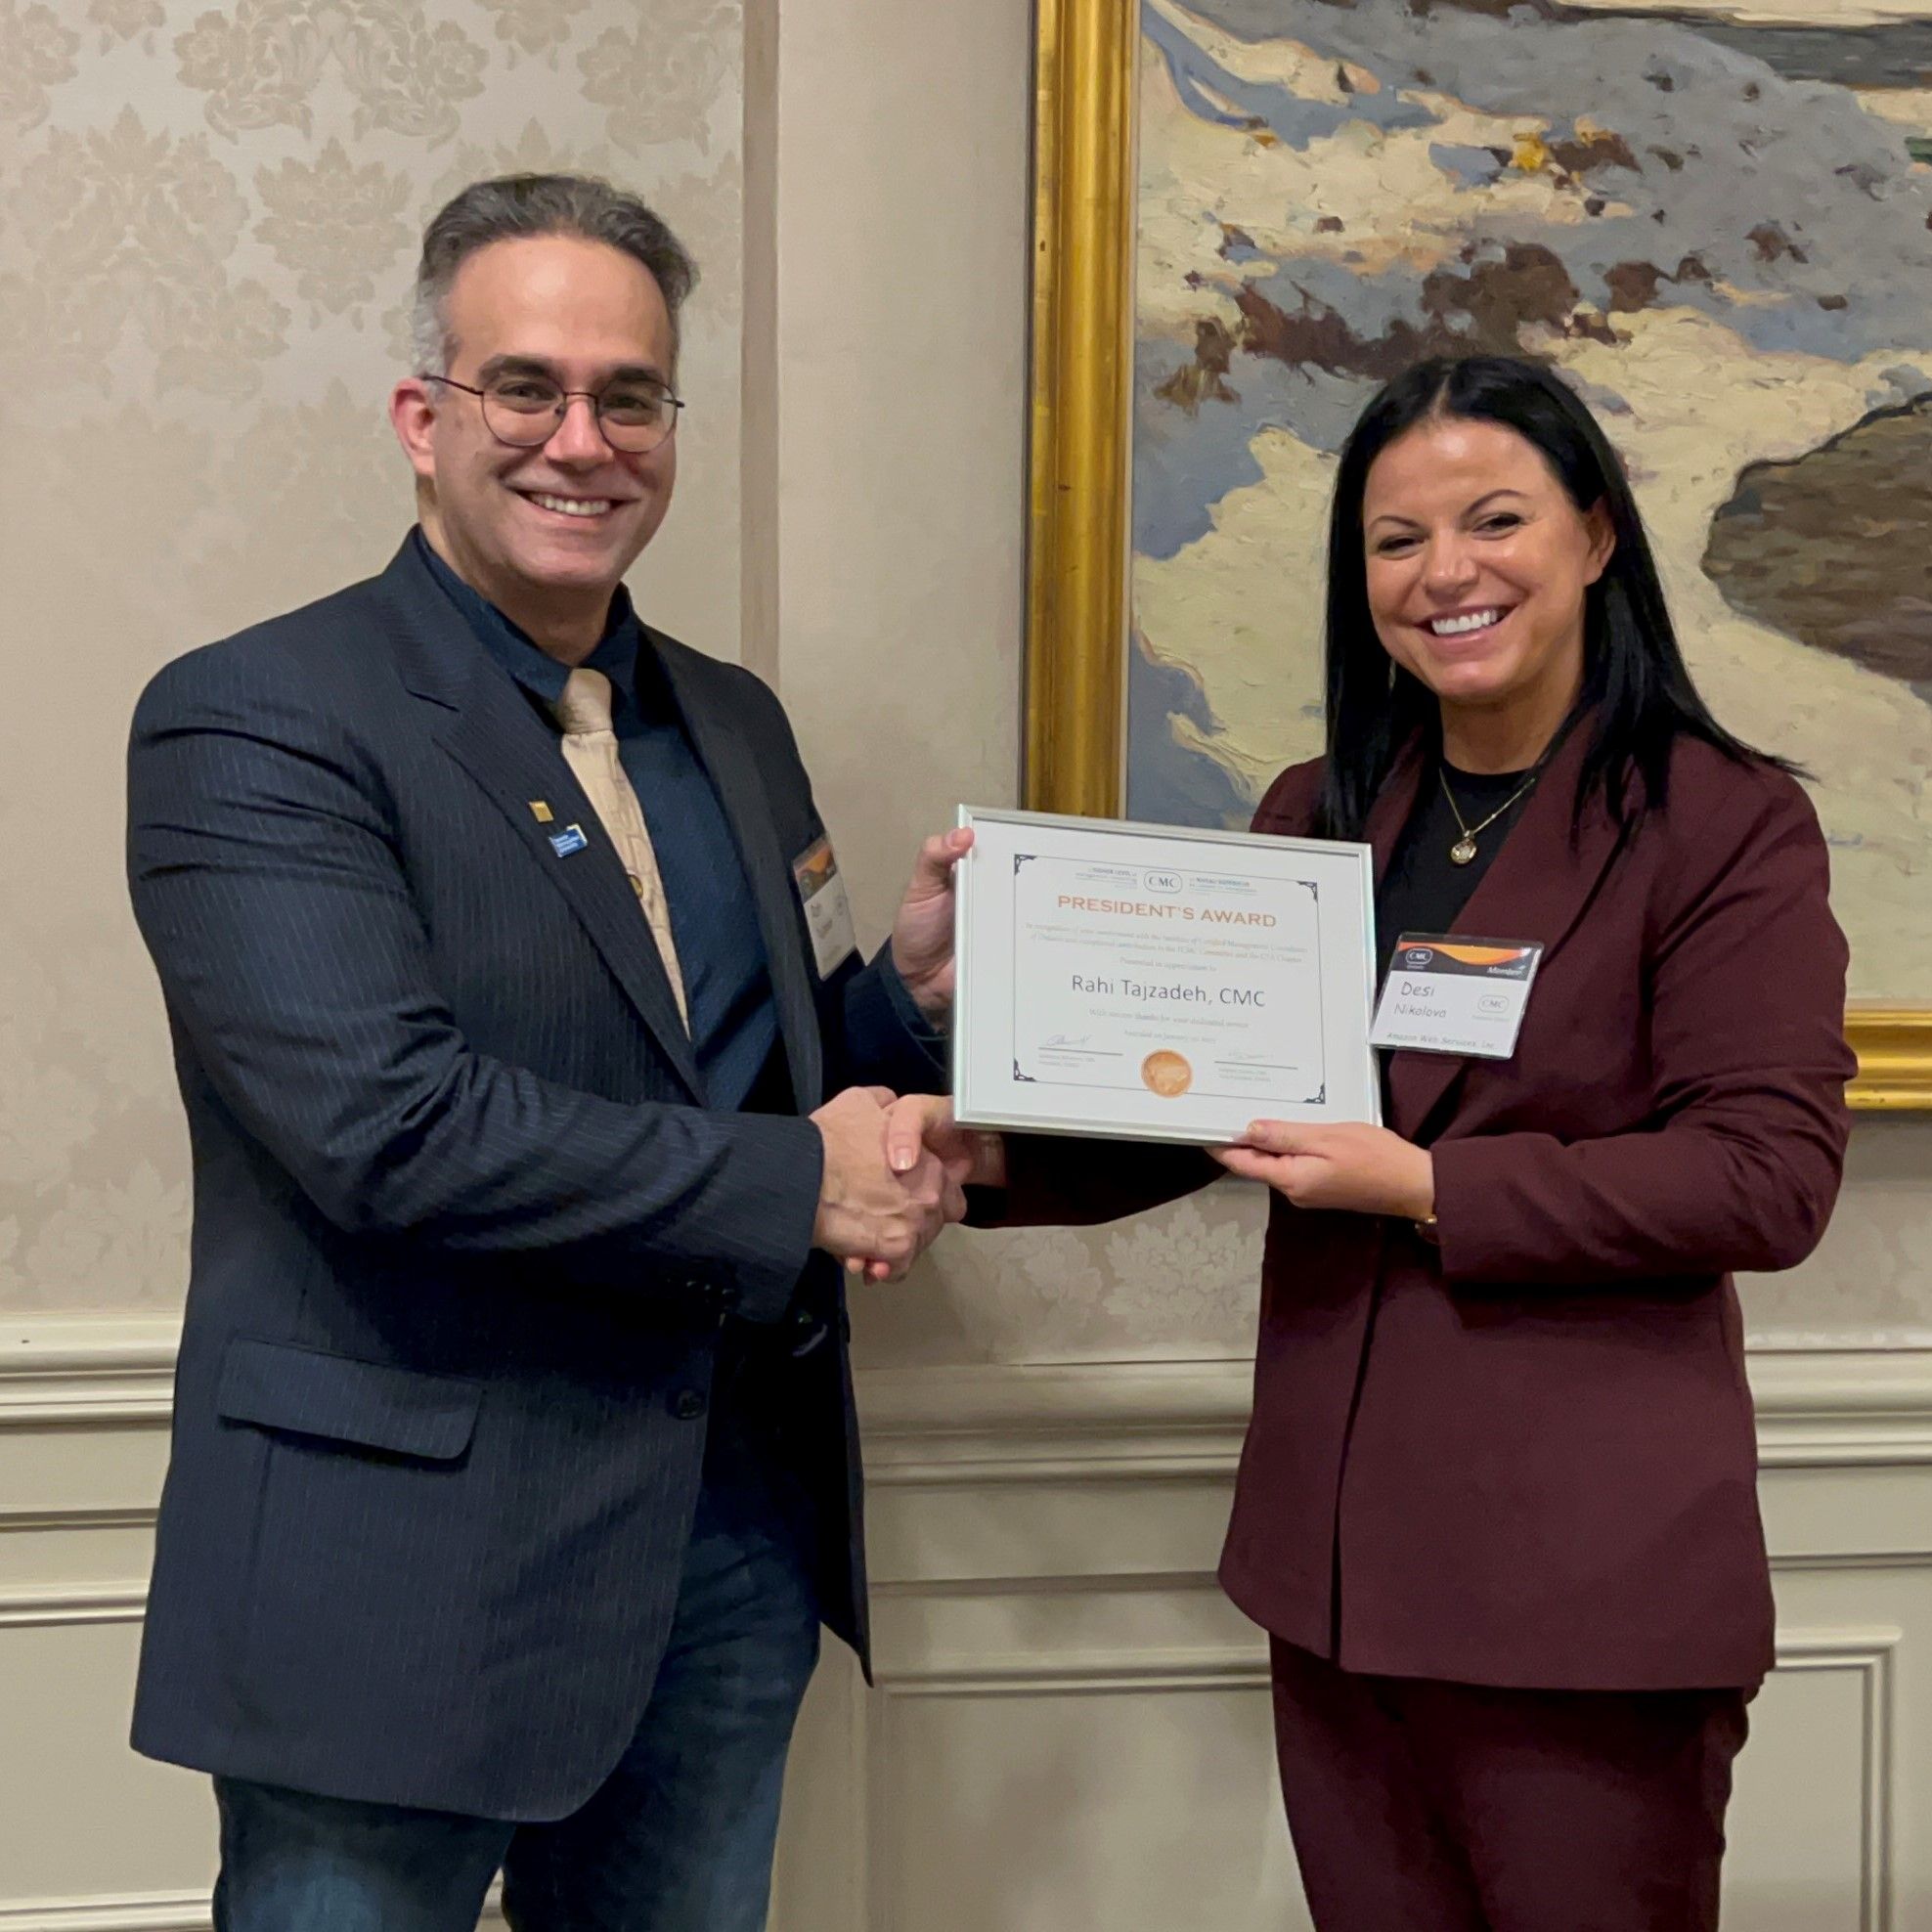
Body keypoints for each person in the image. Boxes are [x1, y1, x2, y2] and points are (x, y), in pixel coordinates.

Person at [888, 354, 1856, 1930]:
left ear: (1597, 534)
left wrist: (1426, 1184)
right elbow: (1212, 1110)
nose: (1444, 572)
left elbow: (1767, 1175)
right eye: (1397, 540)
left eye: (1495, 520)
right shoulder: (1322, 813)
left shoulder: (1720, 820)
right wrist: (962, 1139)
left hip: (1583, 1602)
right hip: (1336, 1580)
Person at [125, 172, 971, 1928]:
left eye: (630, 396)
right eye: (526, 387)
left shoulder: (730, 721)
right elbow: (387, 1127)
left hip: (720, 1547)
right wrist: (799, 1185)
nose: (581, 442)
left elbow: (752, 1081)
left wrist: (907, 1000)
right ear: (422, 417)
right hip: (394, 1579)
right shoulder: (257, 716)